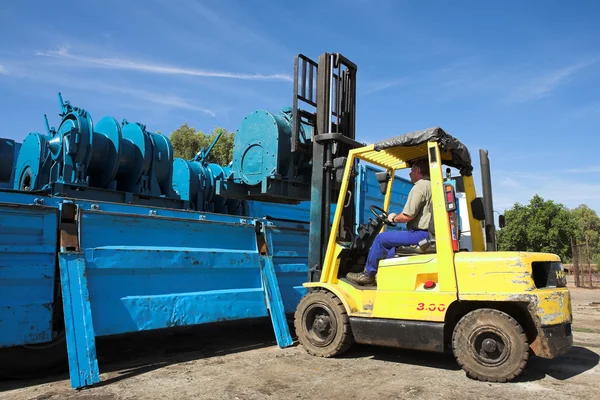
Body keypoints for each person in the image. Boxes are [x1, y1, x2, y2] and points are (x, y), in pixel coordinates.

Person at [346, 158, 432, 286]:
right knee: (391, 249)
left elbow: (407, 216)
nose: (409, 174)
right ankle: (384, 279)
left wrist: (393, 218)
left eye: (411, 170)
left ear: (418, 171)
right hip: (428, 234)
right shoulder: (433, 186)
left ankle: (368, 275)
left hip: (420, 234)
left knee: (381, 239)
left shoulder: (420, 186)